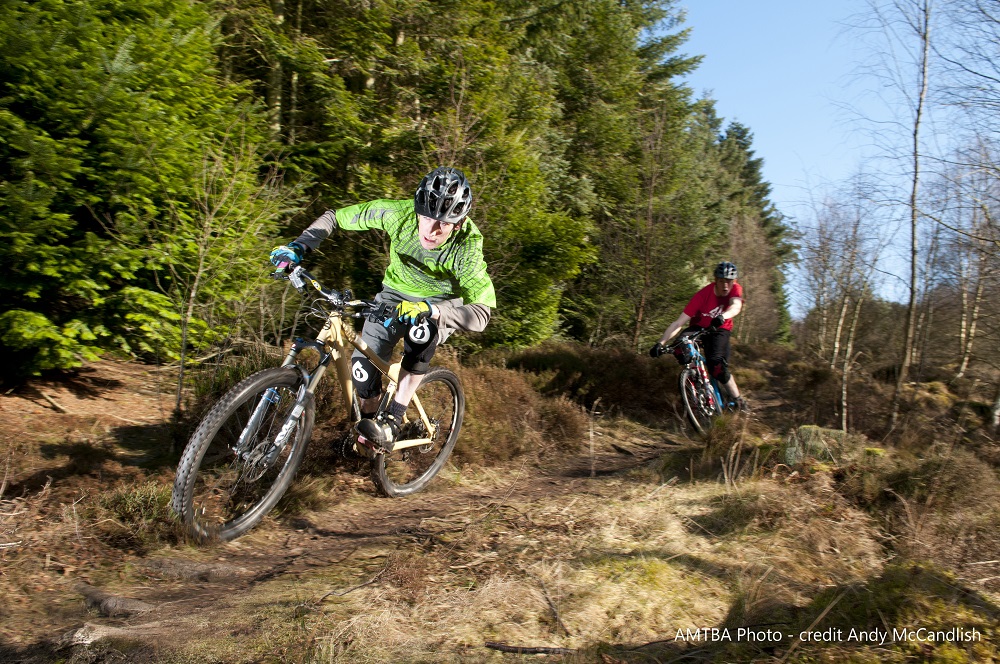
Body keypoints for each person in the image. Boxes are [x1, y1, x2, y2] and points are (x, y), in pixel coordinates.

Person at [269, 167, 496, 451]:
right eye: (426, 217)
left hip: (441, 303)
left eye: (444, 223)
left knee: (422, 332)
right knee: (362, 370)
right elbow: (335, 217)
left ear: (459, 224)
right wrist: (299, 246)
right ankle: (367, 433)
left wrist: (431, 310)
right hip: (393, 295)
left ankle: (393, 420)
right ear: (417, 209)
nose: (431, 230)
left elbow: (481, 314)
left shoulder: (468, 249)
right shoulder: (395, 213)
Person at [649, 261, 749, 412]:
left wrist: (723, 316)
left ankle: (738, 400)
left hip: (720, 329)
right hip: (698, 327)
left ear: (734, 282)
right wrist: (660, 343)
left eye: (728, 281)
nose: (725, 286)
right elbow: (679, 323)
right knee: (679, 346)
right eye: (721, 281)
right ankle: (696, 378)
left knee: (716, 366)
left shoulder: (735, 289)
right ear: (715, 280)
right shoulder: (702, 295)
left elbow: (736, 306)